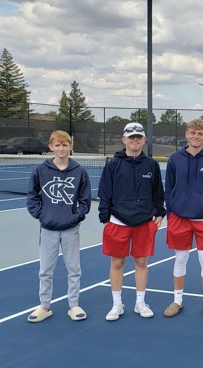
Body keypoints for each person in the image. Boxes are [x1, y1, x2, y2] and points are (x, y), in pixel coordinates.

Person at [98, 122, 165, 321]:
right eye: (131, 137)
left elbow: (157, 193)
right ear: (124, 140)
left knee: (141, 261)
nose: (135, 140)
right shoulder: (112, 164)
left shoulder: (151, 165)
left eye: (139, 137)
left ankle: (140, 303)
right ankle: (117, 304)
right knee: (117, 262)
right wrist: (105, 218)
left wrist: (160, 213)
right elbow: (104, 192)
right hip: (117, 221)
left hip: (144, 221)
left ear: (144, 140)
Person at [26, 130, 91, 322]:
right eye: (57, 145)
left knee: (74, 268)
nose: (61, 149)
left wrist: (75, 217)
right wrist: (42, 216)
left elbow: (85, 201)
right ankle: (45, 306)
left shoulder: (79, 171)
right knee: (45, 270)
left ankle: (74, 305)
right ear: (51, 147)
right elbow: (32, 197)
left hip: (71, 228)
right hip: (48, 228)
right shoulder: (40, 170)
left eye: (65, 145)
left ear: (70, 147)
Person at [162, 118, 203, 319]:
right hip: (179, 217)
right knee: (181, 258)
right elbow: (168, 188)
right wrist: (171, 213)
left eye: (200, 133)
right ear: (186, 134)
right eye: (192, 132)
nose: (196, 136)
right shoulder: (174, 159)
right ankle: (177, 300)